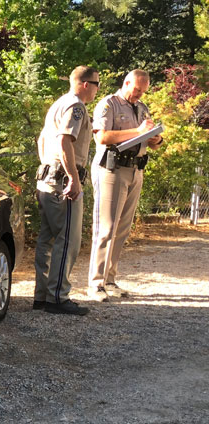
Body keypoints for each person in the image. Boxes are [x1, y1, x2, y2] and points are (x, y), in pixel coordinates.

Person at [87, 69, 165, 302]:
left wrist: (155, 138)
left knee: (122, 229)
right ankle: (95, 283)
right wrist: (138, 131)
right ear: (127, 82)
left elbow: (153, 144)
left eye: (143, 91)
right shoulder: (108, 104)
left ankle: (110, 280)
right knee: (106, 228)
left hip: (135, 170)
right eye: (137, 89)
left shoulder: (141, 108)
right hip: (112, 170)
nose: (139, 94)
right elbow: (101, 137)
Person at [33, 65, 100, 316]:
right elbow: (64, 141)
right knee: (67, 240)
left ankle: (42, 296)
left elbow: (42, 140)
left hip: (47, 180)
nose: (97, 90)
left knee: (47, 240)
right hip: (63, 184)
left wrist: (47, 167)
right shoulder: (76, 107)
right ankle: (57, 298)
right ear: (85, 84)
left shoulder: (58, 104)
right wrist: (72, 177)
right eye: (97, 84)